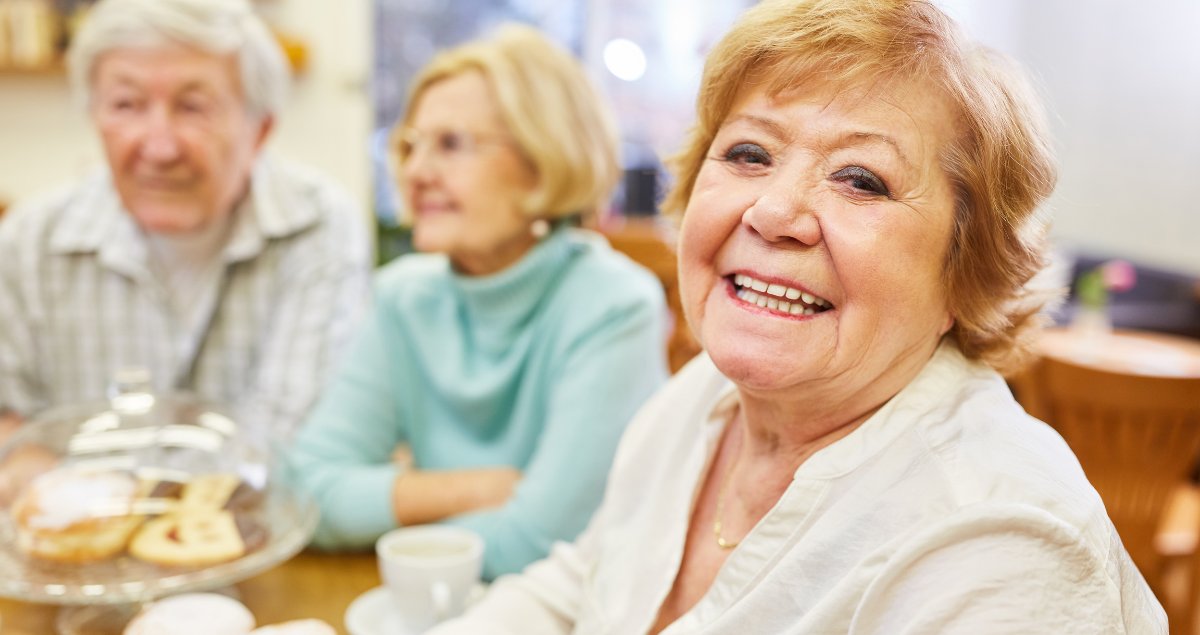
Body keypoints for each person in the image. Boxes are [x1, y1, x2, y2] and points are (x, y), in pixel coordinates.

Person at [428, 1, 1166, 633]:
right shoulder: (698, 401)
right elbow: (578, 592)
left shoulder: (999, 544)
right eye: (749, 153)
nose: (775, 211)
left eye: (861, 180)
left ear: (962, 274)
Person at [290, 25, 668, 579]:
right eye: (410, 145)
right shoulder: (404, 296)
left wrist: (381, 516)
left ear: (543, 160)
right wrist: (483, 488)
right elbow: (304, 494)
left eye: (451, 144)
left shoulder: (615, 306)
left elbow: (540, 540)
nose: (415, 172)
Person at [0, 0, 370, 446]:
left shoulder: (319, 228)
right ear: (94, 117)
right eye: (126, 104)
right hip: (71, 515)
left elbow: (290, 443)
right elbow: (11, 429)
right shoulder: (28, 242)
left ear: (261, 130)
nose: (159, 148)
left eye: (193, 107)